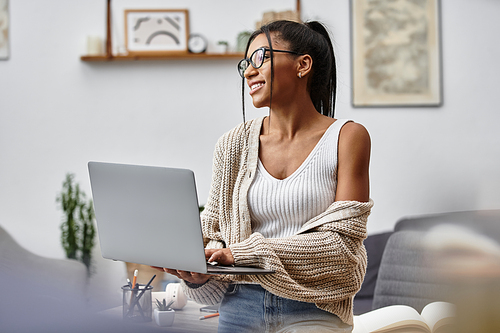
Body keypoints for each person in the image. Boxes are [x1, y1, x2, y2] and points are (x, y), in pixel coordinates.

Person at [160, 20, 373, 332]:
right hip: (239, 308)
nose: (248, 71)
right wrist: (201, 270)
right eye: (245, 63)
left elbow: (342, 251)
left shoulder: (347, 138)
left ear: (303, 65)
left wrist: (242, 254)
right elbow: (215, 233)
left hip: (313, 308)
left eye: (261, 58)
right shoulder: (232, 144)